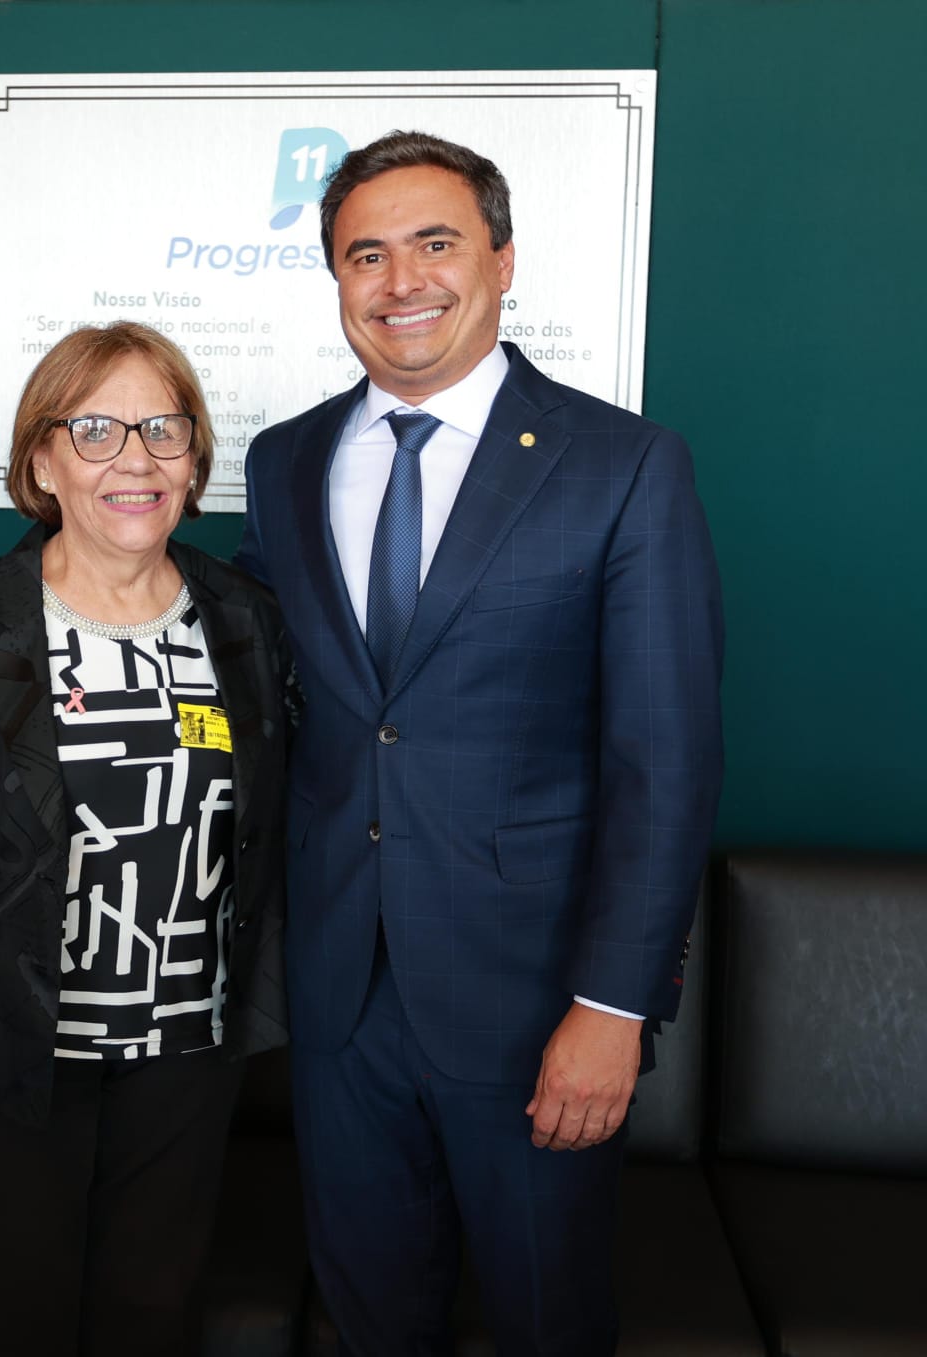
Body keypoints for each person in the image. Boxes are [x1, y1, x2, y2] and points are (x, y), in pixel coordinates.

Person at [236, 130, 724, 1355]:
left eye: (436, 243)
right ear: (335, 278)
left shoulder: (623, 465)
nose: (401, 280)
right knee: (370, 1317)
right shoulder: (284, 461)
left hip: (534, 1005)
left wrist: (614, 1005)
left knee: (545, 1319)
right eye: (366, 254)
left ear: (502, 261)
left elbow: (663, 764)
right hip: (339, 998)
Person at [0, 322, 294, 1357]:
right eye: (95, 430)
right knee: (12, 1321)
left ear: (194, 458)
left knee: (152, 1322)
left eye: (162, 429)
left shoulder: (246, 619)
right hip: (10, 1053)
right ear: (43, 463)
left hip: (189, 1055)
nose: (135, 459)